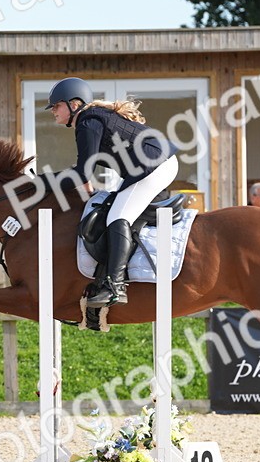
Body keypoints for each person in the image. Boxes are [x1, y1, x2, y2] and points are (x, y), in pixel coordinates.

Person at [45, 76, 177, 307]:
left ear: (74, 104)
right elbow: (84, 172)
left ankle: (115, 286)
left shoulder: (88, 122)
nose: (53, 111)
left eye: (56, 106)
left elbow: (82, 173)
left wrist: (42, 183)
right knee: (115, 209)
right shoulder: (91, 119)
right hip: (157, 163)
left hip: (154, 164)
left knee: (117, 216)